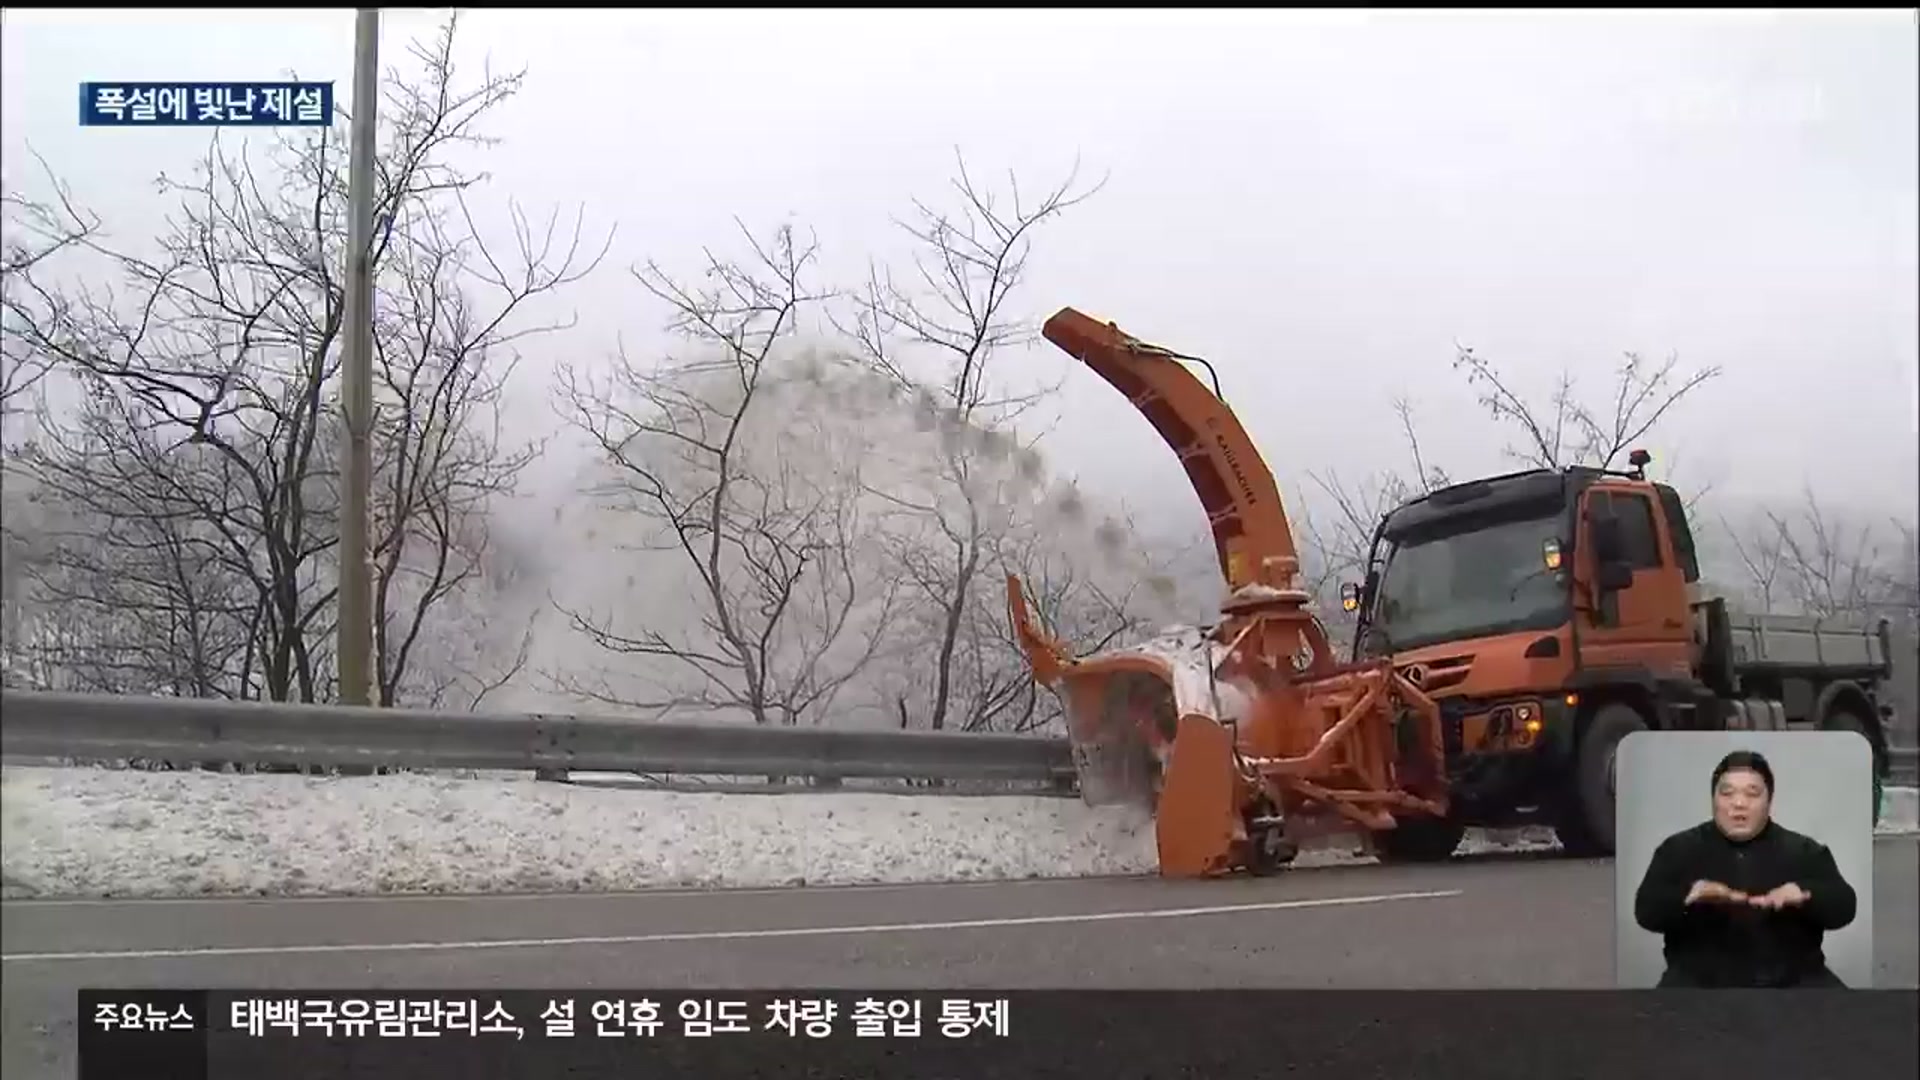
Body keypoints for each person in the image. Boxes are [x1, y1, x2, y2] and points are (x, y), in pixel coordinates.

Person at [1632, 749, 1858, 988]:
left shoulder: (1804, 851)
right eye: (1727, 793)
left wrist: (1805, 894)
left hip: (1795, 982)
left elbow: (1845, 906)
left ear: (1769, 800)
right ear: (1714, 799)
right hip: (1699, 986)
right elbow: (1645, 912)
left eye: (1752, 794)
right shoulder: (1678, 849)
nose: (1739, 803)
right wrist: (1690, 895)